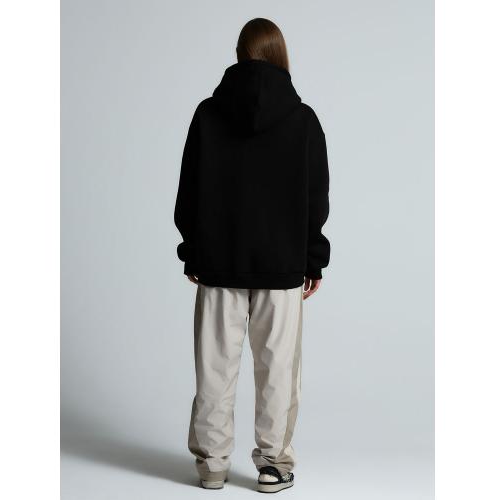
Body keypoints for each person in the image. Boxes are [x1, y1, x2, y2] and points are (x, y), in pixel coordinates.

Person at [174, 17, 330, 493]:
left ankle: (212, 465)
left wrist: (193, 251)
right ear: (281, 55)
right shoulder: (303, 120)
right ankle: (273, 465)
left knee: (214, 370)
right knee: (278, 370)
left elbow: (189, 191)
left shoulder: (208, 114)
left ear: (239, 54)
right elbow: (316, 199)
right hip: (281, 269)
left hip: (218, 266)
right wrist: (313, 260)